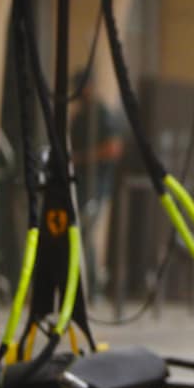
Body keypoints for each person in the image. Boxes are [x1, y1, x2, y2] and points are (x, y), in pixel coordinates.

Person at [69, 71, 124, 291]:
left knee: (85, 231)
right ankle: (81, 281)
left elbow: (113, 148)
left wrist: (81, 158)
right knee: (77, 232)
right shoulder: (80, 115)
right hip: (80, 183)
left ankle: (91, 284)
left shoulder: (101, 113)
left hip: (96, 183)